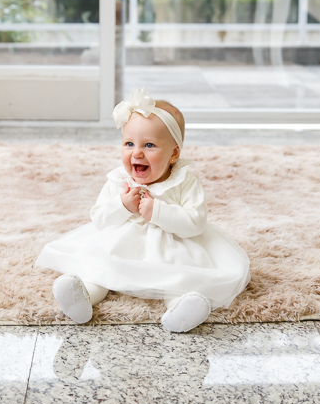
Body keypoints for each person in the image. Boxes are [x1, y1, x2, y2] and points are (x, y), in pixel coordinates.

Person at [35, 88, 251, 333]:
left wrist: (157, 211)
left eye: (149, 145)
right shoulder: (118, 180)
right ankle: (82, 297)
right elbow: (99, 218)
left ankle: (181, 308)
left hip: (173, 245)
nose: (136, 153)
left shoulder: (185, 181)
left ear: (174, 154)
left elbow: (195, 222)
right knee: (100, 266)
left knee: (180, 277)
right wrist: (123, 205)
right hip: (121, 241)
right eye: (129, 143)